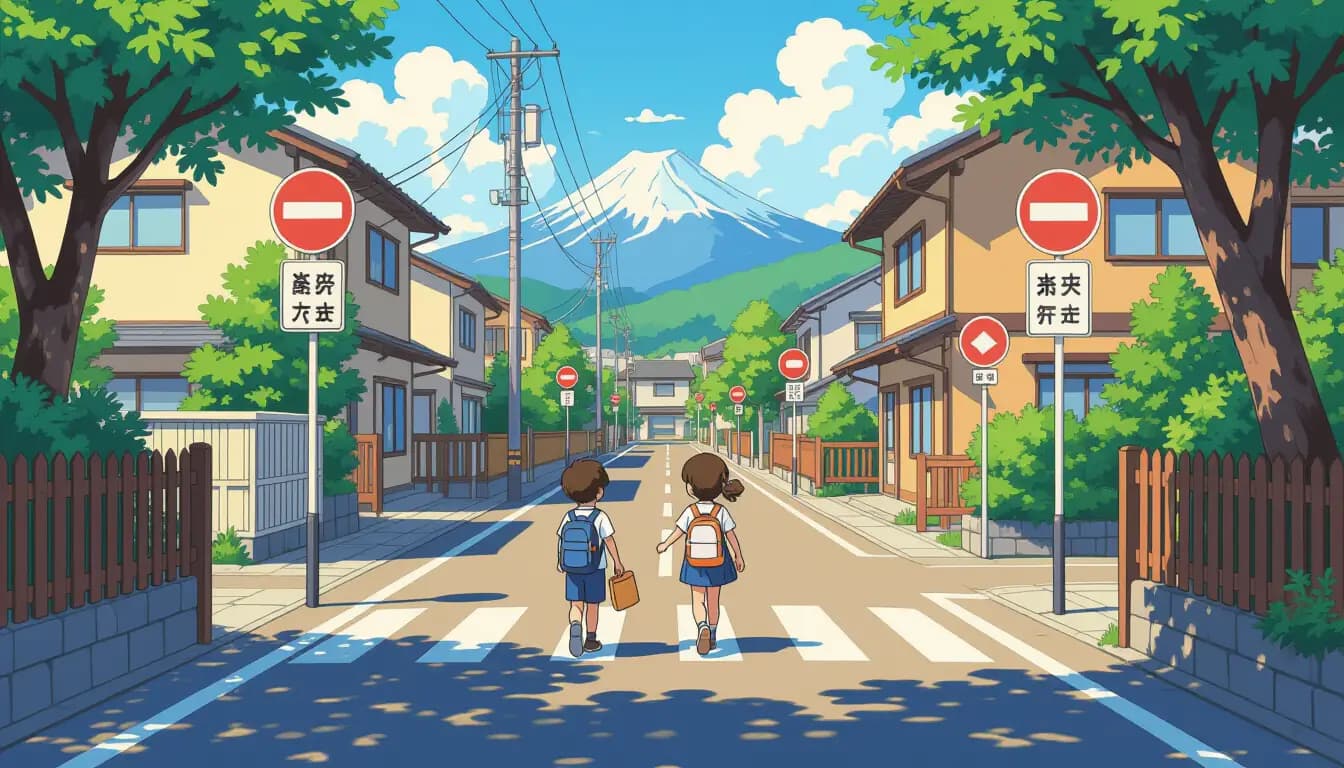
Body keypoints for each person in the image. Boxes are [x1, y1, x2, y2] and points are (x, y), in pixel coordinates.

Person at [656, 452, 746, 656]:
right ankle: (712, 634)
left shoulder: (691, 511)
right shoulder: (720, 511)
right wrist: (739, 556)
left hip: (694, 562)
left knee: (698, 599)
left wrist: (665, 545)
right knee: (713, 600)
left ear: (691, 488)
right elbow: (731, 536)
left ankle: (702, 626)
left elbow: (679, 532)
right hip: (719, 561)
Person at [557, 458, 625, 657]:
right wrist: (618, 562)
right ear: (599, 492)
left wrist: (560, 562)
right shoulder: (600, 517)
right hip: (595, 568)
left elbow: (561, 541)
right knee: (593, 605)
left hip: (572, 568)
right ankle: (591, 639)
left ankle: (575, 623)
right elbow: (609, 541)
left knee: (576, 603)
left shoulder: (568, 517)